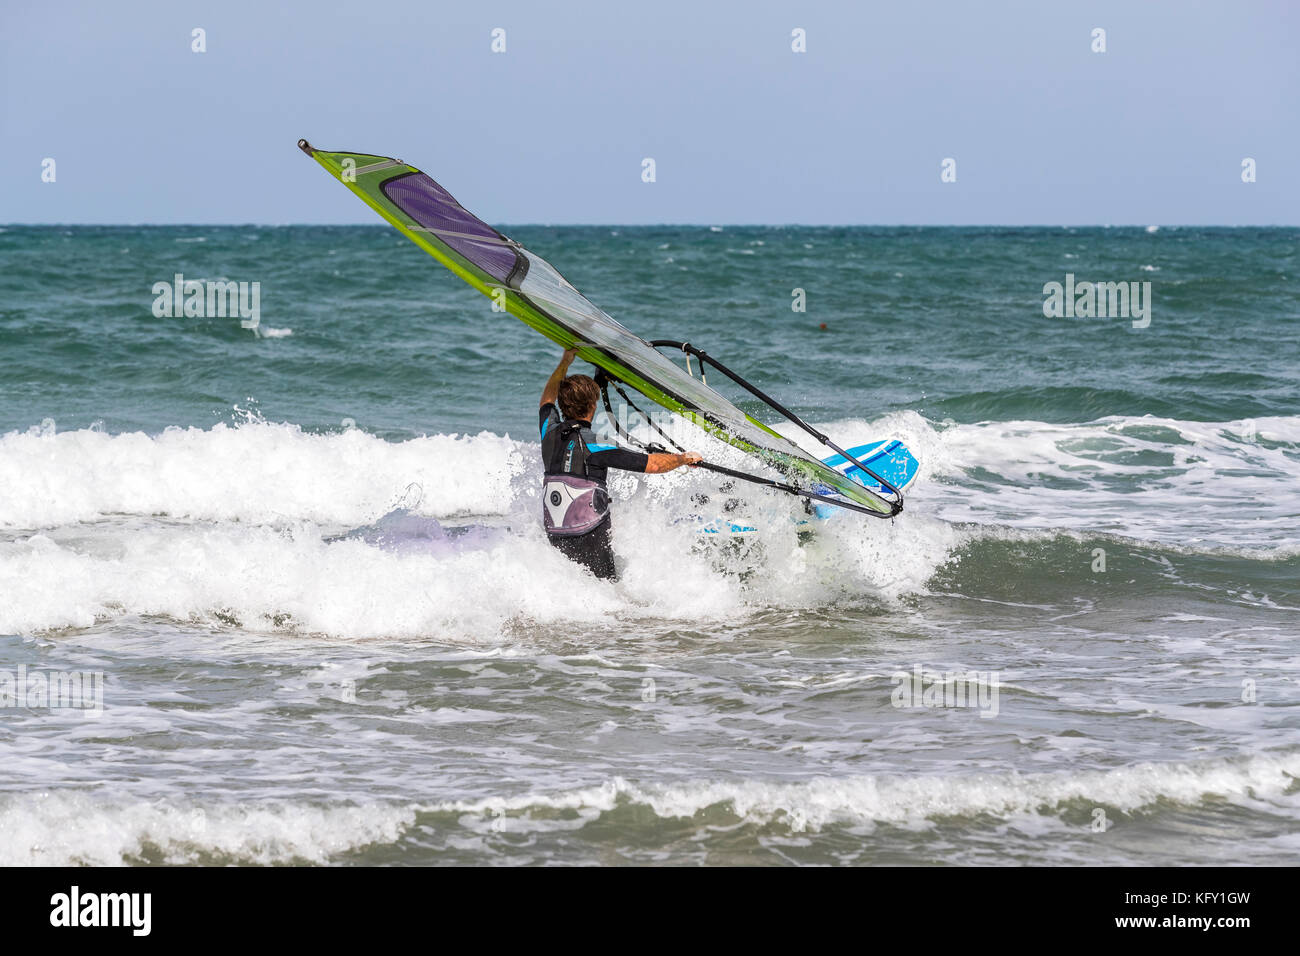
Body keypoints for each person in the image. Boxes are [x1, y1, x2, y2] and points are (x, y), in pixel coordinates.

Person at [540, 347, 701, 579]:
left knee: (571, 584)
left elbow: (546, 399)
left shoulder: (549, 432)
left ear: (563, 406)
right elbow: (653, 465)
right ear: (593, 406)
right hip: (588, 533)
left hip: (556, 532)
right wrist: (683, 459)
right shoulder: (596, 443)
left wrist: (566, 361)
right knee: (605, 589)